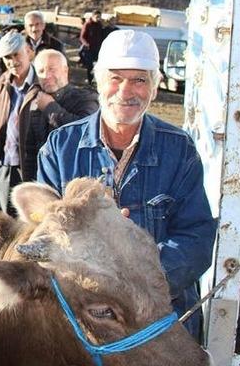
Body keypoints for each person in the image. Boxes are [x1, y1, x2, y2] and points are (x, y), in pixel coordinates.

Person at [37, 29, 216, 338]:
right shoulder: (60, 147)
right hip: (88, 326)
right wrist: (100, 286)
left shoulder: (179, 149)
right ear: (98, 83)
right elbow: (44, 236)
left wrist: (137, 280)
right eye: (116, 78)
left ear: (155, 88)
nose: (125, 91)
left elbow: (196, 237)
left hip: (162, 321)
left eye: (139, 80)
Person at [0, 30, 36, 216]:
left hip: (33, 166)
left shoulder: (42, 84)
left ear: (28, 51)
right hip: (5, 164)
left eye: (16, 54)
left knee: (32, 220)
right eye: (7, 57)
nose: (13, 61)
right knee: (8, 218)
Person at [20, 50, 97, 180]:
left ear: (65, 70)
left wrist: (50, 109)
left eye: (52, 69)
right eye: (41, 71)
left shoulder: (85, 99)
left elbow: (85, 133)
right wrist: (28, 183)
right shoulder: (36, 102)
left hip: (75, 182)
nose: (47, 75)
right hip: (42, 182)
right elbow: (30, 151)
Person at [80, 10, 106, 83]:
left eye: (100, 17)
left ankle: (97, 80)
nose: (98, 18)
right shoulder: (87, 24)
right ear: (93, 16)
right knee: (90, 65)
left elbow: (102, 35)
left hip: (98, 48)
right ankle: (90, 80)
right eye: (97, 17)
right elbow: (82, 37)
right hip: (89, 48)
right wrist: (86, 44)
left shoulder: (100, 25)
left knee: (99, 65)